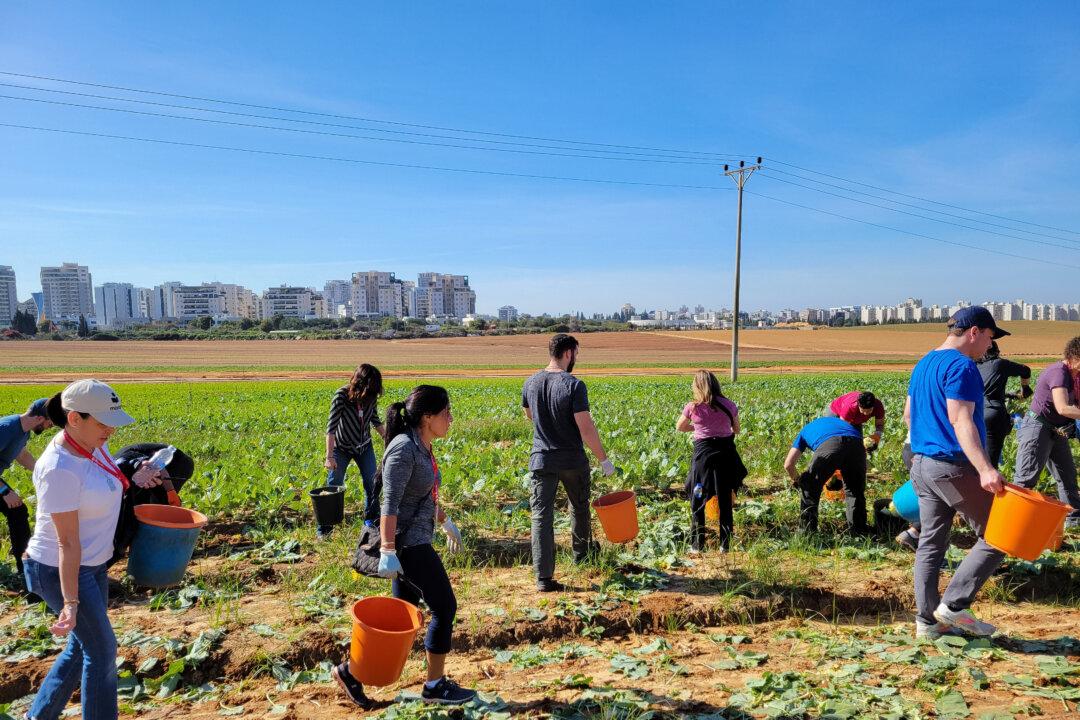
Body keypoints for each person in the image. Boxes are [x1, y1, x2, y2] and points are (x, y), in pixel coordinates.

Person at [24, 380, 164, 720]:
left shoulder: (91, 443)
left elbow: (105, 475)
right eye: (104, 422)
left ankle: (38, 716)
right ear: (75, 418)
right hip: (59, 569)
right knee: (102, 652)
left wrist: (136, 472)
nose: (111, 430)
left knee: (80, 647)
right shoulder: (59, 468)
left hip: (92, 564)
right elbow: (67, 542)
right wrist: (70, 603)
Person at [332, 385, 473, 707]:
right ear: (427, 417)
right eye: (446, 413)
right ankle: (435, 686)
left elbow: (422, 495)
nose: (451, 418)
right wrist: (387, 549)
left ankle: (351, 673)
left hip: (415, 539)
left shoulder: (422, 446)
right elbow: (390, 503)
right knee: (445, 607)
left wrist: (445, 522)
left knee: (401, 618)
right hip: (408, 547)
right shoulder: (403, 449)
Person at [906, 307, 1008, 639]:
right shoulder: (962, 366)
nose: (990, 346)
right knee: (1000, 533)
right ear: (974, 331)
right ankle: (953, 605)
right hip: (952, 466)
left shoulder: (924, 363)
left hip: (922, 465)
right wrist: (985, 469)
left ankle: (926, 623)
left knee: (930, 544)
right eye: (990, 337)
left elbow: (908, 415)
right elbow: (961, 420)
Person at [522, 334, 616, 593]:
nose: (576, 358)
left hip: (541, 459)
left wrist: (548, 424)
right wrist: (603, 459)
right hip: (572, 459)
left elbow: (529, 414)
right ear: (568, 353)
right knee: (579, 507)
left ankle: (543, 578)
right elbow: (585, 427)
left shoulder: (530, 382)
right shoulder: (574, 385)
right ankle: (581, 555)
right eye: (576, 353)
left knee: (541, 516)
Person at [1012, 336, 1080, 527]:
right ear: (1075, 357)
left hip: (1055, 431)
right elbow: (1062, 407)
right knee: (1026, 478)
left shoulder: (1075, 376)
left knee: (1067, 475)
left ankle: (1074, 520)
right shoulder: (1059, 372)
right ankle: (1015, 523)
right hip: (1037, 428)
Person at [677, 370, 745, 552]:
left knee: (698, 495)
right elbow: (737, 429)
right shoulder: (729, 405)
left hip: (703, 457)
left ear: (697, 386)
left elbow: (680, 426)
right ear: (716, 384)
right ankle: (725, 545)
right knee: (724, 499)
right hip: (726, 455)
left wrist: (698, 427)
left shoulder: (693, 407)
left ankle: (697, 545)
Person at [323, 364, 386, 537]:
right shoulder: (341, 396)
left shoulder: (370, 397)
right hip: (341, 448)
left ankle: (371, 520)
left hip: (364, 447)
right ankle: (326, 528)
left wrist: (387, 438)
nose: (373, 394)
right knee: (334, 485)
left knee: (372, 483)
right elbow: (331, 428)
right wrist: (329, 456)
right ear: (361, 384)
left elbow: (374, 419)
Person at [110, 443, 195, 565]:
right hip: (142, 470)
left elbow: (159, 466)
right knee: (136, 506)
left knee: (156, 510)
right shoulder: (115, 473)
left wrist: (170, 492)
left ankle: (167, 546)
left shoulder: (125, 465)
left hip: (176, 464)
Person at [783, 416, 869, 534]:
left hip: (830, 445)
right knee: (855, 491)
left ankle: (807, 534)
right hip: (857, 445)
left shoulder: (805, 431)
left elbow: (788, 465)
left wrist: (798, 481)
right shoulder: (841, 424)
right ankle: (859, 531)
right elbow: (846, 452)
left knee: (810, 487)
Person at [0, 398, 53, 577]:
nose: (50, 427)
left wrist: (42, 472)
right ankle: (25, 569)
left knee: (17, 511)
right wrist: (4, 491)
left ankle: (25, 568)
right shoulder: (6, 429)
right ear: (39, 418)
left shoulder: (23, 431)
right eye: (50, 423)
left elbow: (21, 454)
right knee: (16, 509)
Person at [976, 341, 1032, 468]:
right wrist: (1025, 388)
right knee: (991, 462)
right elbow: (1026, 370)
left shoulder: (974, 365)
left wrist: (1010, 395)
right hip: (992, 413)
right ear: (997, 352)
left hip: (975, 413)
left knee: (976, 457)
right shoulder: (999, 364)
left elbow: (985, 391)